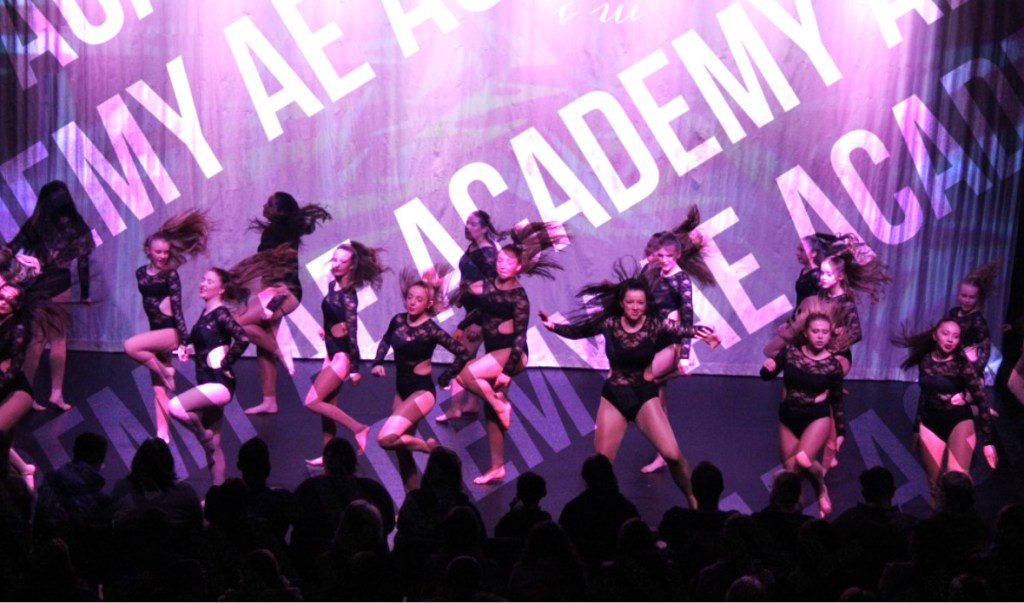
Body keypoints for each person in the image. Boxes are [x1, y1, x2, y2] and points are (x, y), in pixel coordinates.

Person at [540, 262, 715, 506]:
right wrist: (553, 327)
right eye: (630, 302)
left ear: (646, 304)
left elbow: (686, 329)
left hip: (644, 397)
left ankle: (694, 501)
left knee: (674, 456)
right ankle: (597, 508)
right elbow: (579, 330)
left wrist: (705, 334)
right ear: (622, 303)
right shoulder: (609, 323)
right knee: (601, 464)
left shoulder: (656, 325)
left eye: (640, 303)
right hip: (614, 397)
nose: (635, 307)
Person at [454, 221, 569, 485]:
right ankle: (497, 467)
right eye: (500, 261)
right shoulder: (490, 285)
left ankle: (500, 404)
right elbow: (482, 311)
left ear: (518, 267)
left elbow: (519, 338)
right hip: (494, 353)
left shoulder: (519, 297)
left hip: (514, 356)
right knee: (491, 412)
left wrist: (506, 372)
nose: (502, 265)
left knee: (465, 375)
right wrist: (463, 325)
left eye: (508, 262)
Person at [371, 266, 470, 491]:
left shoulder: (431, 330)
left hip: (422, 392)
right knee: (401, 451)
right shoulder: (398, 320)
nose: (412, 302)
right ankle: (412, 499)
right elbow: (386, 340)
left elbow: (463, 352)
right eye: (409, 298)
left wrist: (445, 377)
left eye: (418, 299)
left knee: (386, 438)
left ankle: (428, 447)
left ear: (428, 304)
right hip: (401, 390)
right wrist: (377, 362)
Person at [640, 206, 720, 474]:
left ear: (678, 256)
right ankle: (664, 454)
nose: (663, 260)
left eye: (668, 257)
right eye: (660, 255)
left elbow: (687, 320)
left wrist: (684, 355)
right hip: (654, 341)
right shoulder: (653, 273)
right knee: (659, 404)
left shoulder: (681, 281)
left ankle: (615, 410)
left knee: (644, 379)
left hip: (672, 344)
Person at [237, 192, 331, 415]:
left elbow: (272, 267)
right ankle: (269, 401)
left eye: (270, 204)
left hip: (283, 292)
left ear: (280, 211)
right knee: (263, 342)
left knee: (237, 322)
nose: (264, 205)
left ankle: (279, 349)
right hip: (271, 290)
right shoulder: (279, 231)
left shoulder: (280, 233)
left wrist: (241, 277)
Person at [124, 210, 210, 443]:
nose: (162, 256)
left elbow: (177, 309)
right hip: (155, 332)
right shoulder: (140, 273)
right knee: (159, 388)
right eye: (158, 252)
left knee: (130, 346)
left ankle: (165, 371)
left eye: (165, 252)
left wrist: (184, 340)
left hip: (170, 332)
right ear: (148, 250)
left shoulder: (171, 275)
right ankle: (162, 433)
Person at [892, 318, 998, 503]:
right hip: (930, 422)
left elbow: (981, 399)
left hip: (959, 421)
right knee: (935, 485)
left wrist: (988, 442)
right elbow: (925, 396)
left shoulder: (962, 364)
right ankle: (939, 519)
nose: (950, 339)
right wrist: (916, 428)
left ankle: (963, 517)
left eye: (956, 336)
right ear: (935, 335)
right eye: (946, 334)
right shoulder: (925, 361)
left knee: (958, 480)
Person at [10, 180, 95, 411]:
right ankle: (56, 393)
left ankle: (26, 395)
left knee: (35, 341)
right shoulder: (75, 225)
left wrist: (13, 270)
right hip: (60, 285)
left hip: (37, 286)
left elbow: (12, 248)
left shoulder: (36, 224)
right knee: (58, 340)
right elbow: (83, 263)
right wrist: (85, 294)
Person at [302, 241, 387, 465]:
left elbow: (352, 334)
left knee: (311, 401)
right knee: (327, 408)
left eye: (343, 261)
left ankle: (359, 428)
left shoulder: (349, 297)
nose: (337, 264)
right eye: (335, 259)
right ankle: (328, 455)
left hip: (341, 358)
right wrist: (327, 330)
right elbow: (333, 318)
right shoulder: (333, 286)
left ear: (352, 266)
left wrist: (354, 369)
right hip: (330, 353)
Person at [165, 268, 250, 485]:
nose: (203, 284)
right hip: (206, 382)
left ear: (221, 289)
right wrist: (187, 347)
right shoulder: (206, 313)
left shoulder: (221, 313)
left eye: (209, 281)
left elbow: (242, 338)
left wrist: (227, 362)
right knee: (214, 449)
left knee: (175, 407)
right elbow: (205, 341)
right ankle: (217, 493)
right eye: (203, 279)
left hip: (219, 384)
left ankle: (203, 437)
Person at [760, 312, 845, 517]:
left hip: (817, 417)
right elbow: (767, 375)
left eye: (825, 332)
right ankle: (796, 517)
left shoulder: (833, 366)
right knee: (792, 475)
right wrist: (767, 368)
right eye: (815, 331)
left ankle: (821, 489)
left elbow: (836, 400)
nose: (820, 336)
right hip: (788, 417)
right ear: (806, 333)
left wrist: (841, 431)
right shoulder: (790, 352)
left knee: (803, 459)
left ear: (830, 335)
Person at [436, 211, 503, 424]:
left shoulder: (488, 253)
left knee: (461, 358)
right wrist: (459, 295)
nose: (468, 227)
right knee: (469, 359)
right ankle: (472, 404)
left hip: (481, 314)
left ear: (484, 228)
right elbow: (469, 279)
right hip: (472, 311)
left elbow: (492, 289)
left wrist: (478, 322)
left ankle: (455, 408)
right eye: (467, 223)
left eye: (473, 224)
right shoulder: (474, 247)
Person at [0, 282, 39, 489]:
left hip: (15, 389)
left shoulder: (19, 329)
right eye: (1, 297)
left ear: (17, 306)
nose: (2, 303)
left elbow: (13, 369)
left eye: (9, 300)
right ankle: (24, 468)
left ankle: (21, 473)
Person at [947, 260, 1000, 377]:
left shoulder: (977, 321)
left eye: (972, 297)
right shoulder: (953, 312)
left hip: (967, 366)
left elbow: (986, 349)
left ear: (978, 298)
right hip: (950, 362)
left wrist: (975, 371)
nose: (967, 300)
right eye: (964, 296)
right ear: (958, 294)